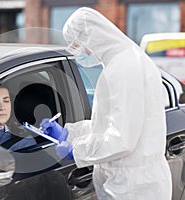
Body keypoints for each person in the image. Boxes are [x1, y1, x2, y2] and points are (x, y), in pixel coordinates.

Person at [40, 7, 172, 200]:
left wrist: (76, 149)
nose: (77, 53)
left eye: (77, 45)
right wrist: (71, 132)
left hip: (133, 188)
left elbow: (121, 139)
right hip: (131, 183)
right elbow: (108, 125)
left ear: (93, 38)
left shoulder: (124, 68)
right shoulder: (123, 62)